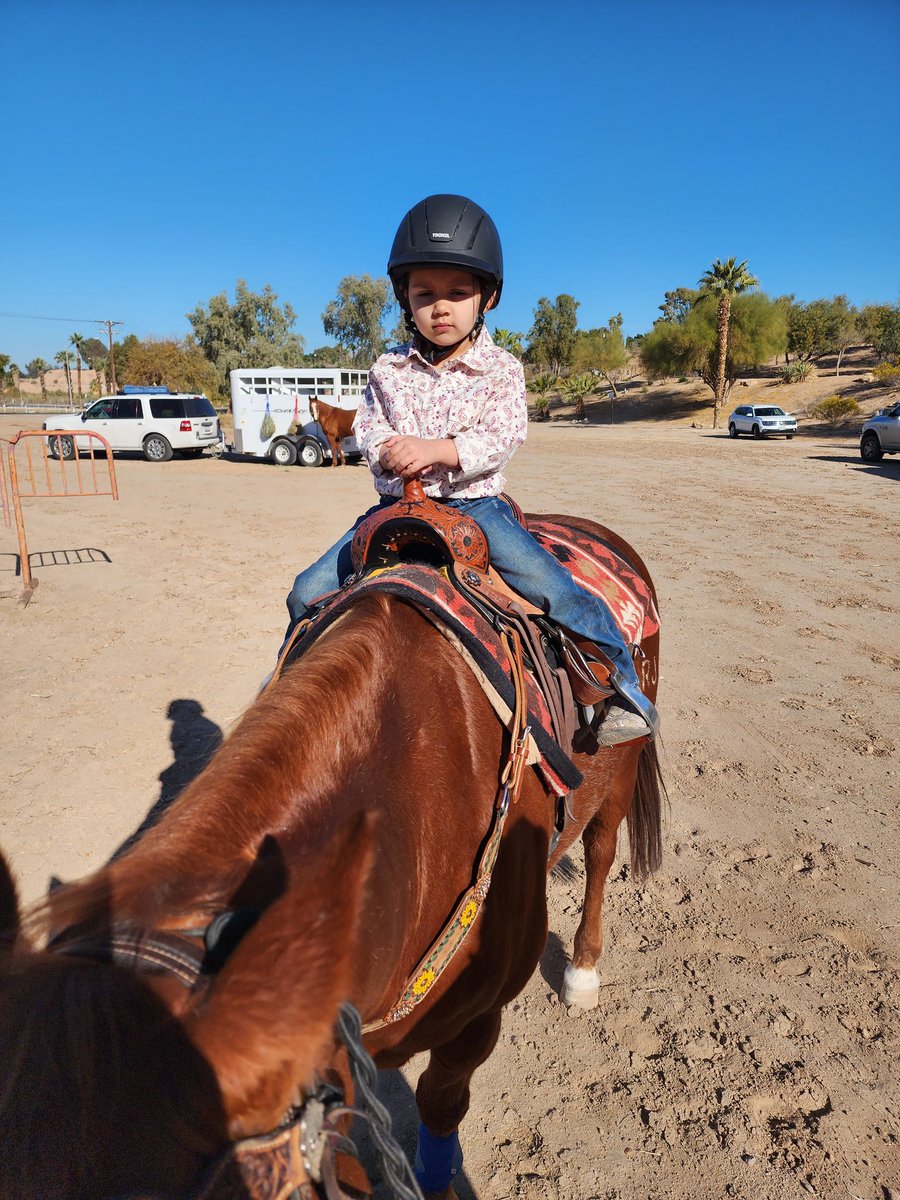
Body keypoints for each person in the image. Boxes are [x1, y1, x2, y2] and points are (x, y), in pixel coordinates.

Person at [284, 194, 657, 746]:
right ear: (405, 298)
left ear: (488, 297)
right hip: (398, 507)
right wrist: (388, 451)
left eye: (457, 293)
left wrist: (440, 450)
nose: (441, 307)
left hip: (475, 507)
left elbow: (505, 435)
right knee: (306, 591)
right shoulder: (388, 369)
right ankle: (289, 700)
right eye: (425, 294)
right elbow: (370, 428)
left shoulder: (501, 369)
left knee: (552, 587)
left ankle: (621, 686)